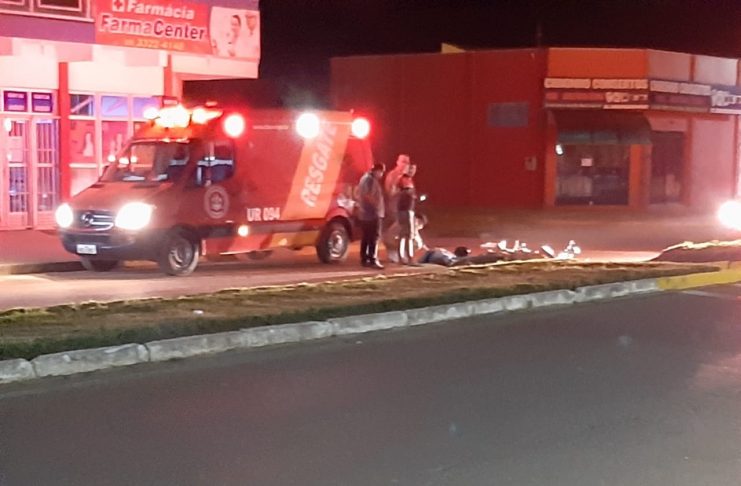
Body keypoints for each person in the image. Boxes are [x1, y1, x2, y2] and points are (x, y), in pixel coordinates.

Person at [357, 163, 386, 269]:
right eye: (381, 172)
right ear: (377, 171)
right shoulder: (370, 180)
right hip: (372, 214)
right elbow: (367, 195)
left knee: (366, 237)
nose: (381, 175)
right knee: (374, 237)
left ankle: (365, 259)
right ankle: (373, 259)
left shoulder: (365, 178)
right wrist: (376, 207)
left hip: (365, 214)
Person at [397, 165, 418, 265]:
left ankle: (403, 257)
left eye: (414, 169)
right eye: (411, 169)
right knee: (408, 234)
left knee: (405, 234)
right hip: (405, 210)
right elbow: (406, 192)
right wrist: (412, 195)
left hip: (407, 209)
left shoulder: (408, 179)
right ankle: (409, 257)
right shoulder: (405, 179)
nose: (412, 171)